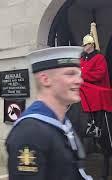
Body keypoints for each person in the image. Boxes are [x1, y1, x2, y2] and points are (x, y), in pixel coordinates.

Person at [6, 46, 93, 180]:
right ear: (45, 79)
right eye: (70, 74)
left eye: (79, 74)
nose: (79, 81)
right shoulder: (30, 132)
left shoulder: (62, 123)